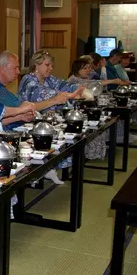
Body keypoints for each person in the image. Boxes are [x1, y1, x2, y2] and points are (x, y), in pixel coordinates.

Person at [18, 50, 86, 184]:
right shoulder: (28, 80)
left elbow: (65, 85)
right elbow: (44, 93)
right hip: (29, 122)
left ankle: (49, 169)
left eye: (52, 65)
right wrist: (67, 95)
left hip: (48, 121)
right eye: (47, 65)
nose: (51, 68)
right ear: (36, 65)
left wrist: (78, 88)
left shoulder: (50, 79)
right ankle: (40, 171)